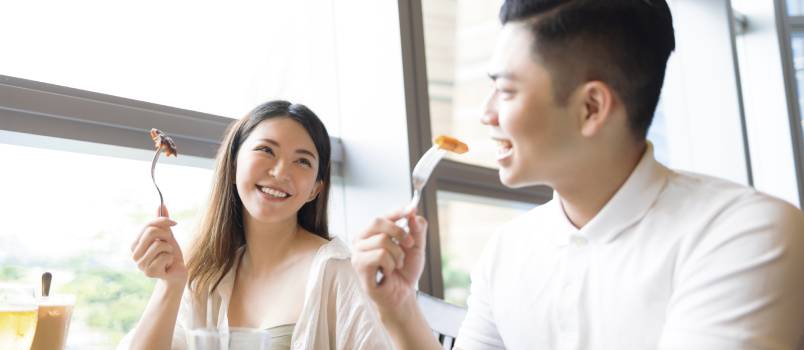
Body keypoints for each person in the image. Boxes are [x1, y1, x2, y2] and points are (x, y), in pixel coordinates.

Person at [351, 1, 804, 349]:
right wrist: (400, 309)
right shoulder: (507, 251)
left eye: (505, 90)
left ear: (591, 108)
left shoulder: (748, 236)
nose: (486, 114)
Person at [120, 100, 392, 349]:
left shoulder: (337, 270)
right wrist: (170, 284)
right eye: (266, 150)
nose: (280, 172)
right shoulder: (207, 273)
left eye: (302, 161)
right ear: (234, 163)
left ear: (315, 189)